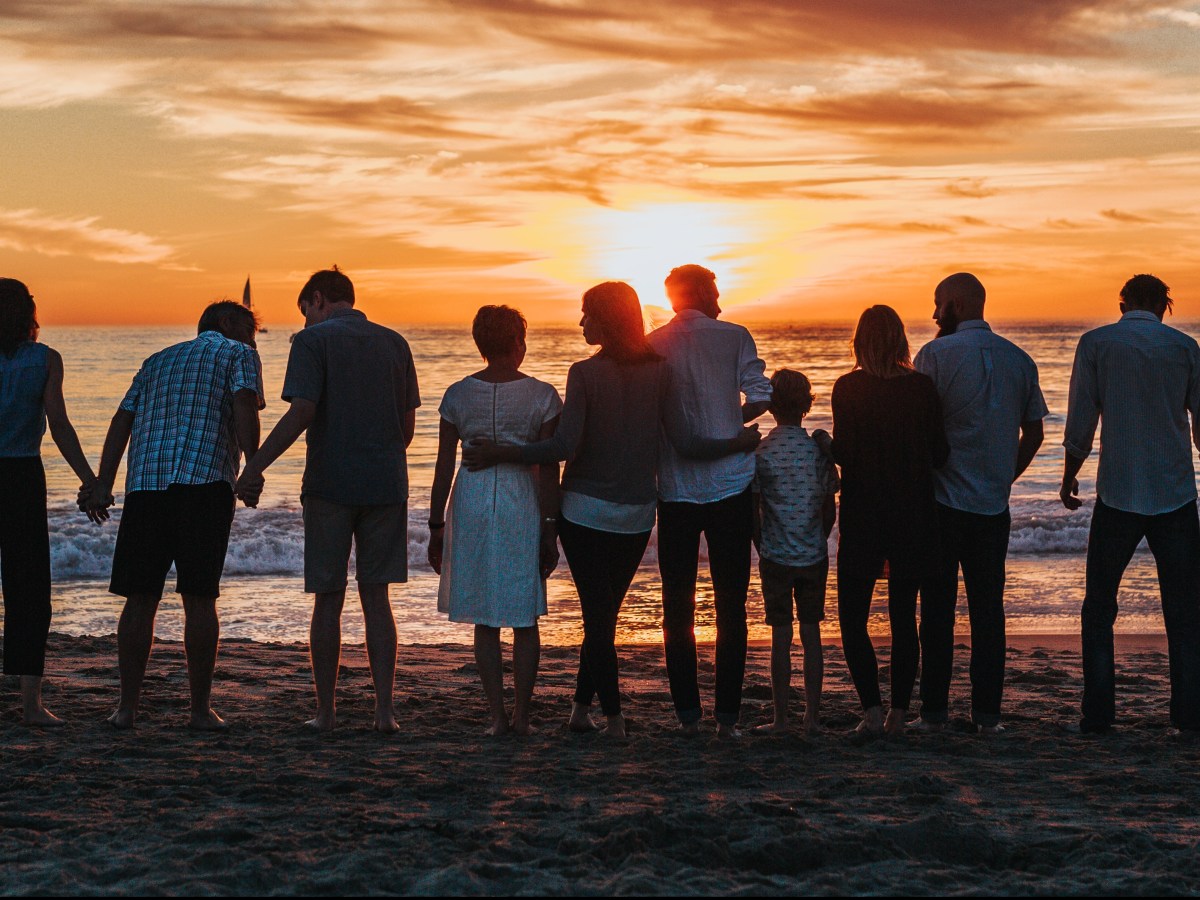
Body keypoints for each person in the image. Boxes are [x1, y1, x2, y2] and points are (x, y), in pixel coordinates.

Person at [462, 283, 759, 739]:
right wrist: (736, 441)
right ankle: (582, 710)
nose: (581, 324)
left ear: (606, 319)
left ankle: (616, 721)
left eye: (586, 315)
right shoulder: (660, 371)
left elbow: (561, 447)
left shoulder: (583, 373)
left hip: (583, 512)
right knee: (604, 616)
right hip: (637, 515)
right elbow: (686, 443)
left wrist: (502, 450)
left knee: (598, 620)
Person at [235, 268, 420, 734]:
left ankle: (326, 713)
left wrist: (254, 465)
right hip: (386, 484)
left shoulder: (311, 343)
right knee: (377, 599)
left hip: (330, 484)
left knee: (328, 599)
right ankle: (384, 713)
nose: (305, 322)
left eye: (305, 312)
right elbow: (408, 431)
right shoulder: (395, 343)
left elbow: (302, 411)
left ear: (317, 299)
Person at [85, 300, 263, 730]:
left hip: (146, 486)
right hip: (204, 483)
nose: (253, 339)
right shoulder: (238, 353)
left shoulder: (156, 360)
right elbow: (243, 401)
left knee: (140, 597)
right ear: (226, 323)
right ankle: (200, 711)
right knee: (199, 598)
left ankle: (126, 709)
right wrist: (253, 466)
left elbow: (121, 420)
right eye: (249, 329)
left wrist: (102, 482)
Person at [1061, 274, 1200, 735]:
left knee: (1100, 606)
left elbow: (1082, 418)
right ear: (1165, 306)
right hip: (1174, 493)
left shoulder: (1096, 344)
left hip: (1118, 492)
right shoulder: (1185, 349)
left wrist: (1068, 476)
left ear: (1122, 304)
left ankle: (1099, 714)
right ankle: (1188, 716)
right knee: (1184, 609)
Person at [913, 273, 1047, 734]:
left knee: (936, 611)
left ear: (956, 304)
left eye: (937, 304)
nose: (934, 315)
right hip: (993, 504)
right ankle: (987, 716)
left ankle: (933, 714)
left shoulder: (932, 356)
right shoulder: (1020, 359)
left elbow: (919, 431)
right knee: (989, 612)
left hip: (943, 502)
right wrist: (1005, 475)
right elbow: (1035, 433)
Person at [648, 264, 772, 738]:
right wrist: (729, 420)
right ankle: (727, 718)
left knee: (675, 604)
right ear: (702, 291)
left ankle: (686, 716)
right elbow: (761, 395)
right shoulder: (735, 336)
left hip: (675, 488)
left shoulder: (654, 343)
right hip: (730, 486)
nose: (720, 297)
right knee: (731, 604)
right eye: (715, 289)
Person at [428, 305, 561, 737]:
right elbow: (550, 467)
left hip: (471, 502)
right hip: (522, 502)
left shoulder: (457, 394)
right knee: (524, 617)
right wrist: (550, 527)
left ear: (479, 345)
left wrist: (435, 527)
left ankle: (497, 718)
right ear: (518, 343)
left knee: (485, 618)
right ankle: (522, 718)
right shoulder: (542, 395)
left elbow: (444, 466)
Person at [832, 305, 948, 738]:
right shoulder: (921, 388)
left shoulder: (847, 388)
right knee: (903, 617)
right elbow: (940, 455)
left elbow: (845, 452)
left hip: (864, 514)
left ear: (860, 342)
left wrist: (827, 445)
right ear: (901, 340)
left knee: (853, 617)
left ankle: (873, 712)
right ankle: (900, 714)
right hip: (914, 513)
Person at [0, 278, 102, 726]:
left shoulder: (46, 360)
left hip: (21, 473)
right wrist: (91, 480)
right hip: (21, 477)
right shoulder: (45, 359)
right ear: (29, 314)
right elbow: (59, 425)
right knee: (28, 590)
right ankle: (30, 705)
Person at [750, 369, 838, 736]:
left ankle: (781, 719)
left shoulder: (762, 451)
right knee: (812, 633)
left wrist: (762, 546)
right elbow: (830, 505)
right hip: (813, 554)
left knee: (781, 638)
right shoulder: (817, 452)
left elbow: (754, 511)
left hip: (776, 555)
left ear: (771, 406)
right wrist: (819, 536)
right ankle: (813, 718)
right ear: (807, 405)